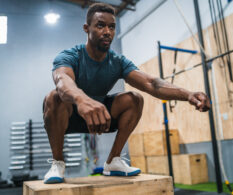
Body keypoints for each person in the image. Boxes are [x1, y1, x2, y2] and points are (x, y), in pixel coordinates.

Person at [43, 3, 210, 184]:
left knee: (135, 99)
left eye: (112, 27)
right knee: (53, 97)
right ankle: (58, 163)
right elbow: (62, 81)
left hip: (103, 117)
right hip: (71, 115)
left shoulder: (117, 61)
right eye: (100, 25)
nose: (107, 31)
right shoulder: (70, 55)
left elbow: (151, 83)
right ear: (86, 28)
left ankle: (113, 161)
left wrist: (188, 94)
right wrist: (82, 100)